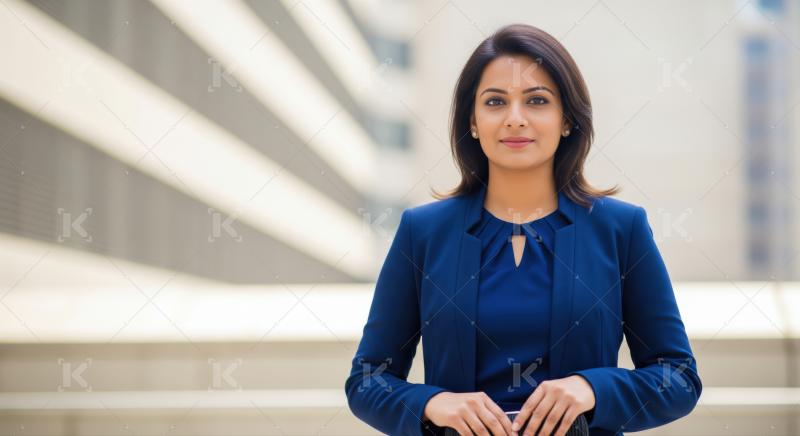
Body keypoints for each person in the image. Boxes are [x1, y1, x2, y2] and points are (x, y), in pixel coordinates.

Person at [345, 23, 701, 436]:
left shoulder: (621, 228)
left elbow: (678, 377)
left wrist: (592, 389)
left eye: (536, 101)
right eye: (495, 102)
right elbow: (367, 380)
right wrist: (434, 403)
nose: (515, 119)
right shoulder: (422, 232)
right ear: (473, 122)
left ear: (566, 119)